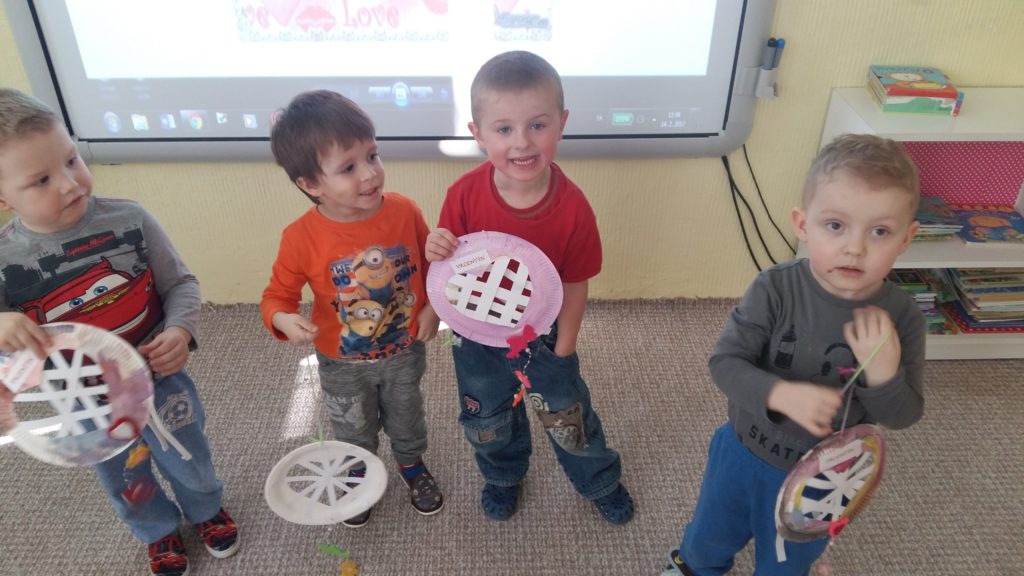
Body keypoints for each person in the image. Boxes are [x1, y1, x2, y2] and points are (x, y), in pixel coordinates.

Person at [662, 133, 926, 576]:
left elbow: (904, 415)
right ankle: (693, 567)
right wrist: (779, 394)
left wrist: (884, 377)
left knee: (786, 562)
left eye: (879, 231)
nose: (855, 248)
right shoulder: (775, 288)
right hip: (742, 453)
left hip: (822, 480)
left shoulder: (903, 318)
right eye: (835, 225)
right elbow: (724, 363)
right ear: (803, 225)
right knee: (709, 537)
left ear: (906, 238)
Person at [0, 88, 238, 576]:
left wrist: (180, 331)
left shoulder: (130, 219)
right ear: (3, 197)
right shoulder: (5, 259)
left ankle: (205, 509)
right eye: (42, 180)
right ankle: (156, 529)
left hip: (159, 376)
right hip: (82, 398)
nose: (70, 183)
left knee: (189, 454)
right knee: (123, 476)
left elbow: (181, 284)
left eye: (71, 160)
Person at [425, 50, 634, 525]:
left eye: (537, 125)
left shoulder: (573, 208)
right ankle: (503, 476)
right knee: (487, 418)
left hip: (543, 337)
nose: (522, 142)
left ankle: (598, 480)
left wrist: (565, 347)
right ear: (478, 133)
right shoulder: (463, 194)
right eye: (503, 129)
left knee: (567, 414)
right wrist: (436, 247)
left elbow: (575, 282)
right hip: (476, 337)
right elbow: (448, 267)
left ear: (561, 124)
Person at [261, 90, 443, 528]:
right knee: (353, 428)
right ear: (311, 184)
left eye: (373, 155)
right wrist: (284, 318)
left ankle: (411, 465)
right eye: (348, 167)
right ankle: (358, 474)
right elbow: (276, 298)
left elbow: (434, 267)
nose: (370, 173)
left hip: (403, 350)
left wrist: (433, 308)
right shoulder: (300, 237)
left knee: (407, 417)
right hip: (341, 362)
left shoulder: (405, 211)